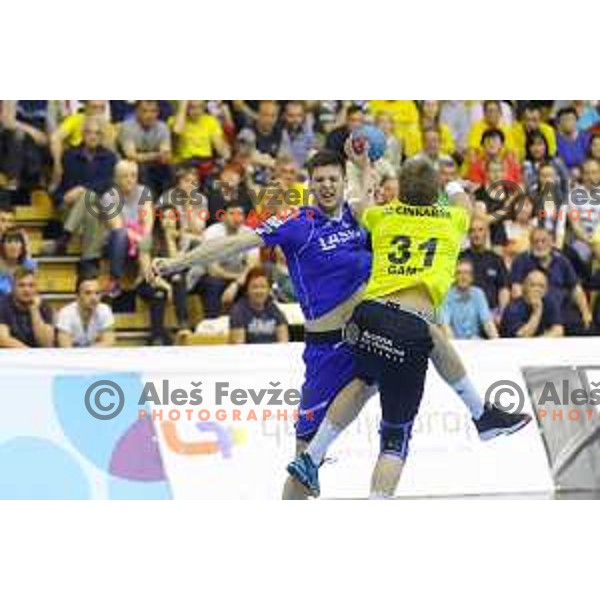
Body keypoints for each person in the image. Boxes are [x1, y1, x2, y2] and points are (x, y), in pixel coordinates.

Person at [150, 148, 530, 500]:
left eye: (334, 179)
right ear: (310, 184)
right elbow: (235, 245)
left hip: (368, 333)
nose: (327, 186)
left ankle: (481, 413)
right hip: (326, 351)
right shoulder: (296, 223)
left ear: (343, 182)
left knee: (427, 332)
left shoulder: (362, 215)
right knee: (303, 465)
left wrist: (366, 163)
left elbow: (375, 194)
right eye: (320, 180)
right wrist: (176, 263)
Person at [287, 159, 529, 498]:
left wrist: (363, 168)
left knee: (363, 381)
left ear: (402, 190)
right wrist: (454, 184)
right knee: (395, 436)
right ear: (436, 195)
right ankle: (479, 418)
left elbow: (359, 206)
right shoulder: (453, 219)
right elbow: (463, 199)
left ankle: (310, 457)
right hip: (408, 328)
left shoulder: (384, 215)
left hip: (366, 317)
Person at [510, 227, 592, 334]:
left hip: (563, 310)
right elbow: (517, 291)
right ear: (530, 243)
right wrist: (531, 310)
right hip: (536, 311)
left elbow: (576, 289)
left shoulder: (561, 260)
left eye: (544, 241)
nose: (540, 245)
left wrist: (586, 313)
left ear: (552, 242)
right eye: (536, 241)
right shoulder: (521, 260)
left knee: (585, 330)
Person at [119, 101, 173, 196]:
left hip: (156, 165)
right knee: (143, 169)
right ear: (137, 112)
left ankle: (165, 203)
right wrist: (156, 155)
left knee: (168, 169)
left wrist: (161, 156)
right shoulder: (127, 126)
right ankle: (149, 203)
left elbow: (165, 155)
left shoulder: (162, 127)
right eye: (144, 111)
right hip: (133, 165)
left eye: (153, 111)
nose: (149, 115)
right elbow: (131, 156)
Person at [460, 217, 510, 317]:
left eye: (480, 230)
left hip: (492, 312)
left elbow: (503, 289)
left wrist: (502, 313)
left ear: (486, 233)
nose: (477, 234)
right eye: (472, 231)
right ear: (468, 235)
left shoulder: (497, 259)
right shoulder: (460, 259)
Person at [440, 259, 499, 340]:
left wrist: (497, 343)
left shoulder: (478, 293)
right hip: (455, 342)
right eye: (459, 273)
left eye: (467, 273)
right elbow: (445, 326)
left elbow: (487, 323)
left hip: (475, 342)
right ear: (454, 277)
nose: (463, 276)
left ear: (472, 277)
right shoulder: (446, 296)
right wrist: (455, 348)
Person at [229, 267, 289, 344]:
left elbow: (284, 341)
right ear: (247, 290)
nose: (259, 291)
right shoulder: (238, 311)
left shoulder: (274, 308)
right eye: (254, 287)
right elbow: (239, 345)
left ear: (268, 290)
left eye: (263, 287)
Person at [0, 266, 54, 348]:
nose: (27, 290)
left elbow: (46, 343)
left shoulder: (44, 306)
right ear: (12, 287)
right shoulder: (3, 305)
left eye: (31, 285)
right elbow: (3, 339)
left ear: (36, 288)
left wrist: (34, 310)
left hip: (38, 356)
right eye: (21, 285)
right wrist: (28, 352)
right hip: (10, 356)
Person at [500, 269, 564, 338]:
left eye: (541, 286)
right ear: (524, 287)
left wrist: (541, 342)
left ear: (546, 290)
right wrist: (536, 313)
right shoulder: (513, 308)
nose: (537, 289)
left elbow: (558, 330)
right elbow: (522, 336)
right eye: (532, 285)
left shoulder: (549, 302)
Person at [56, 275, 115, 348]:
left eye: (97, 293)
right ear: (77, 296)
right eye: (88, 293)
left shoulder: (105, 310)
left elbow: (108, 342)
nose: (94, 298)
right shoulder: (65, 313)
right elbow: (65, 347)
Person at [0, 229, 36, 296]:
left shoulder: (29, 264)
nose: (13, 246)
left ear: (22, 246)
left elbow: (32, 292)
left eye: (17, 241)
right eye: (9, 241)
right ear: (2, 246)